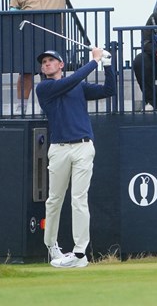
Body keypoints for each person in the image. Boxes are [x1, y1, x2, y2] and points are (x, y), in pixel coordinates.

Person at [37, 47, 114, 268]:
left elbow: (109, 90)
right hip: (59, 149)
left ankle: (80, 254)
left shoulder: (78, 87)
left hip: (83, 147)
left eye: (51, 60)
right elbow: (68, 83)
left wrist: (107, 64)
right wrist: (94, 61)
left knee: (79, 199)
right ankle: (52, 245)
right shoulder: (44, 88)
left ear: (61, 65)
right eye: (44, 62)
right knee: (54, 200)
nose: (46, 64)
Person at [9, 0, 106, 113]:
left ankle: (46, 107)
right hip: (28, 35)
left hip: (53, 34)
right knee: (25, 71)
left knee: (49, 71)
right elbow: (13, 9)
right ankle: (21, 108)